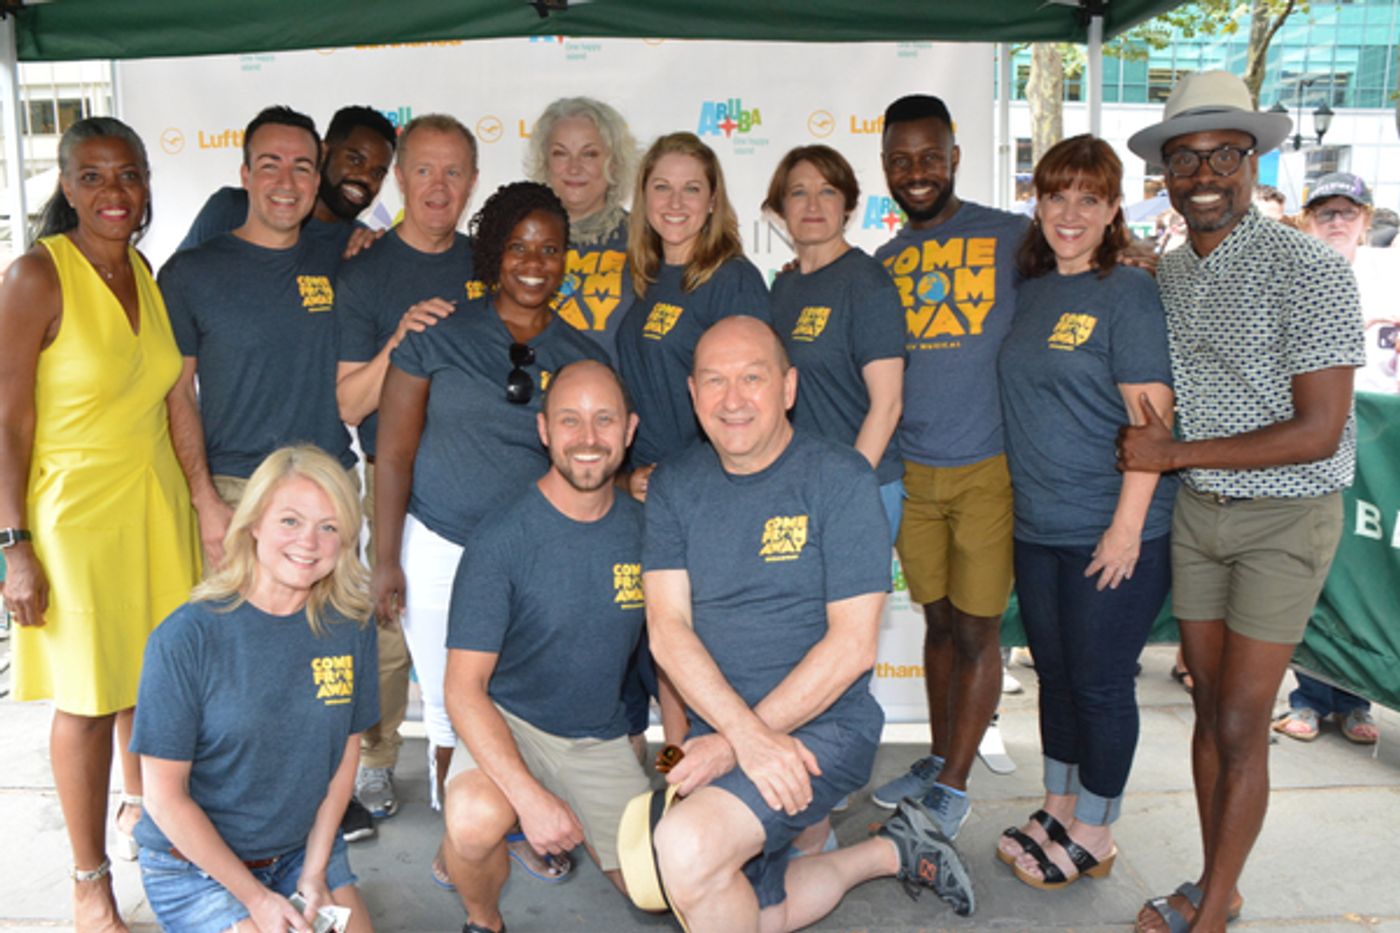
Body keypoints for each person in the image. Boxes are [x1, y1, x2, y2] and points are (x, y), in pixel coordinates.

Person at [1122, 70, 1364, 933]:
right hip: (1202, 514)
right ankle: (1215, 877)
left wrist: (1173, 452)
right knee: (1206, 707)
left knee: (1240, 717)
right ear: (1168, 176)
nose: (1203, 173)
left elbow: (1320, 429)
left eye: (1223, 153)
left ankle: (1212, 907)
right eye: (1185, 158)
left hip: (1285, 518)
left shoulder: (1310, 268)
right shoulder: (1172, 270)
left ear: (1254, 160)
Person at [644, 316, 976, 933]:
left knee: (686, 849)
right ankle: (892, 850)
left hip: (826, 728)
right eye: (714, 381)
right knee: (755, 915)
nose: (733, 399)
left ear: (789, 387)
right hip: (734, 729)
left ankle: (808, 836)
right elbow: (667, 630)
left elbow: (851, 646)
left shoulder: (840, 477)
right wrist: (724, 740)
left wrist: (736, 742)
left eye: (753, 378)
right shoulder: (673, 485)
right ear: (692, 395)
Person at [373, 181, 608, 885]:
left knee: (523, 695)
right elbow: (393, 453)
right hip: (440, 546)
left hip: (534, 558)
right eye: (518, 247)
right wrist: (385, 558)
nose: (535, 262)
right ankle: (464, 840)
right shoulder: (435, 337)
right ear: (492, 253)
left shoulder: (579, 351)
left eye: (551, 249)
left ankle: (524, 820)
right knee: (450, 706)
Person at [0, 117, 201, 933]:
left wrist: (201, 501)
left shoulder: (144, 271)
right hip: (75, 517)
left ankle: (146, 817)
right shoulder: (33, 277)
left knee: (151, 683)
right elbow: (7, 420)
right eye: (92, 177)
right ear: (66, 186)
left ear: (146, 184)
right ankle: (89, 883)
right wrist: (13, 544)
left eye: (126, 176)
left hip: (155, 508)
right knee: (86, 699)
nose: (112, 193)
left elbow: (169, 396)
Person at [995, 135, 1176, 889]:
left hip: (1112, 527)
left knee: (1100, 683)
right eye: (1056, 195)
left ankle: (1097, 826)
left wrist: (1127, 525)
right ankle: (1059, 803)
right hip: (1038, 526)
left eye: (1089, 199)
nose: (1070, 213)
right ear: (1036, 203)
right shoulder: (1031, 289)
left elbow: (1154, 422)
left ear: (1112, 211)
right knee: (1059, 679)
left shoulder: (1127, 292)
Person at [439, 360, 651, 933]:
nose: (587, 439)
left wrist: (675, 761)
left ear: (629, 430)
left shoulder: (647, 530)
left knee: (659, 888)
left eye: (603, 420)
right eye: (570, 421)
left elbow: (675, 664)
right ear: (544, 430)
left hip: (598, 737)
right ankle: (483, 920)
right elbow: (462, 689)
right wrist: (531, 800)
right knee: (476, 819)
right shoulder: (501, 539)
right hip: (510, 723)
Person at [131, 446, 377, 933]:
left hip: (302, 850)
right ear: (254, 524)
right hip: (197, 867)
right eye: (290, 520)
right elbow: (163, 798)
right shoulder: (186, 638)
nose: (309, 541)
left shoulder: (351, 626)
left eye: (329, 526)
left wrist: (314, 871)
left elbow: (345, 757)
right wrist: (257, 901)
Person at [869, 94, 1028, 841]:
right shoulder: (885, 263)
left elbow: (1080, 261)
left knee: (977, 631)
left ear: (956, 157)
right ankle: (939, 758)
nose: (917, 172)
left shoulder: (1012, 237)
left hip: (987, 468)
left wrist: (1129, 252)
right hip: (915, 472)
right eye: (901, 161)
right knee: (936, 624)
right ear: (886, 170)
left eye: (930, 156)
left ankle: (956, 784)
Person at [334, 114, 479, 822]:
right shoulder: (365, 271)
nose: (438, 186)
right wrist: (399, 339)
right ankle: (378, 760)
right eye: (423, 169)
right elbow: (347, 399)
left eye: (454, 172)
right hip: (389, 479)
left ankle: (482, 769)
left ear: (473, 183)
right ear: (400, 178)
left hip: (477, 479)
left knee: (487, 636)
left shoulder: (491, 262)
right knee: (388, 637)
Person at [163, 105, 356, 569]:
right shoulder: (190, 273)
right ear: (246, 175)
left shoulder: (345, 261)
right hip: (237, 491)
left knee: (331, 639)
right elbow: (177, 393)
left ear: (316, 180)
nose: (286, 183)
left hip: (329, 486)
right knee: (240, 640)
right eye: (270, 165)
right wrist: (204, 499)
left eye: (302, 168)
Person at [1272, 172, 1386, 744]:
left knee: (1366, 578)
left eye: (1348, 212)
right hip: (1309, 459)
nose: (1337, 222)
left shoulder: (1386, 280)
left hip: (1381, 464)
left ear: (1366, 221)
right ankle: (1310, 695)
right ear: (1306, 220)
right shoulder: (1288, 277)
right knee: (1312, 578)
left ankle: (1359, 697)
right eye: (1325, 212)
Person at [615, 131, 771, 497]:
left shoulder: (732, 280)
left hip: (708, 487)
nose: (675, 202)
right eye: (662, 187)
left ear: (713, 200)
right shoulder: (645, 277)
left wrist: (692, 475)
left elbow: (752, 401)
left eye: (692, 189)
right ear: (644, 196)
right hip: (650, 484)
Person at [763, 144, 905, 536]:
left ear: (847, 205)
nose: (813, 204)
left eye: (827, 191)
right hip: (797, 488)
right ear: (780, 208)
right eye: (798, 192)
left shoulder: (867, 283)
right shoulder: (783, 288)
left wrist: (846, 487)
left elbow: (888, 404)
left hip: (861, 485)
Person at [178, 105, 397, 256]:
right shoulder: (232, 208)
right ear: (322, 152)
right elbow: (176, 293)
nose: (365, 178)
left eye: (378, 173)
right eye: (355, 160)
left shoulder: (361, 245)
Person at [525, 96, 639, 356]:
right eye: (560, 153)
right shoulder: (514, 240)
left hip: (613, 394)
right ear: (545, 163)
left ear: (614, 162)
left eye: (589, 154)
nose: (574, 168)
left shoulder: (646, 240)